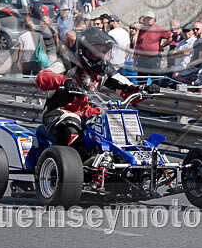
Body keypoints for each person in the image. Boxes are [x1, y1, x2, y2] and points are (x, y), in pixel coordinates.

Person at [35, 27, 158, 158]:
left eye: (104, 51)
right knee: (71, 127)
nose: (101, 55)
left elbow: (126, 88)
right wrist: (65, 81)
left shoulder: (105, 69)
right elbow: (42, 77)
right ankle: (61, 162)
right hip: (58, 112)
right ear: (83, 51)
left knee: (113, 124)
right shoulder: (67, 62)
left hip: (87, 113)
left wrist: (143, 89)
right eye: (96, 51)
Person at [134, 11, 171, 78]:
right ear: (144, 20)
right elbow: (137, 45)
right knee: (141, 79)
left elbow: (171, 37)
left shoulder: (159, 28)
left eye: (151, 18)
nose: (149, 20)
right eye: (147, 18)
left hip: (154, 58)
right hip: (142, 58)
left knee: (155, 79)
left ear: (154, 20)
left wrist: (162, 45)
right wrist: (134, 61)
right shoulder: (142, 30)